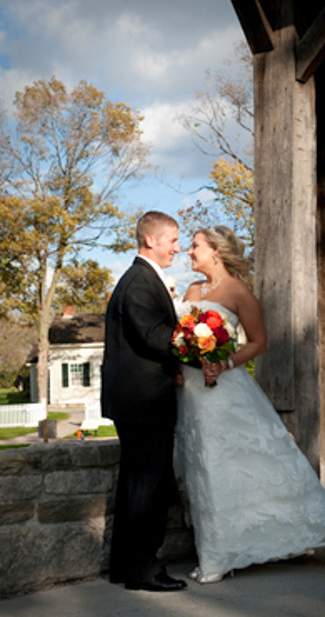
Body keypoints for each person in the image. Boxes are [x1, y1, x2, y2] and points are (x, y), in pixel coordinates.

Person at [174, 225, 325, 584]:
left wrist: (223, 363)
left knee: (221, 464)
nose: (188, 253)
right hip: (190, 389)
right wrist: (179, 363)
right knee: (198, 465)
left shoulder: (239, 292)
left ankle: (219, 557)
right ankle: (217, 546)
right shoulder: (191, 291)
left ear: (215, 252)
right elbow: (178, 338)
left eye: (194, 247)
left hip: (223, 391)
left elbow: (259, 342)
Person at [102, 210, 189, 592]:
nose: (177, 247)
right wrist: (198, 343)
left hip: (140, 399)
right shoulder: (139, 281)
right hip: (143, 401)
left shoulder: (141, 278)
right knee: (147, 486)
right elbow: (155, 336)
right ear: (151, 240)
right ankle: (143, 570)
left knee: (136, 484)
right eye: (172, 240)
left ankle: (126, 566)